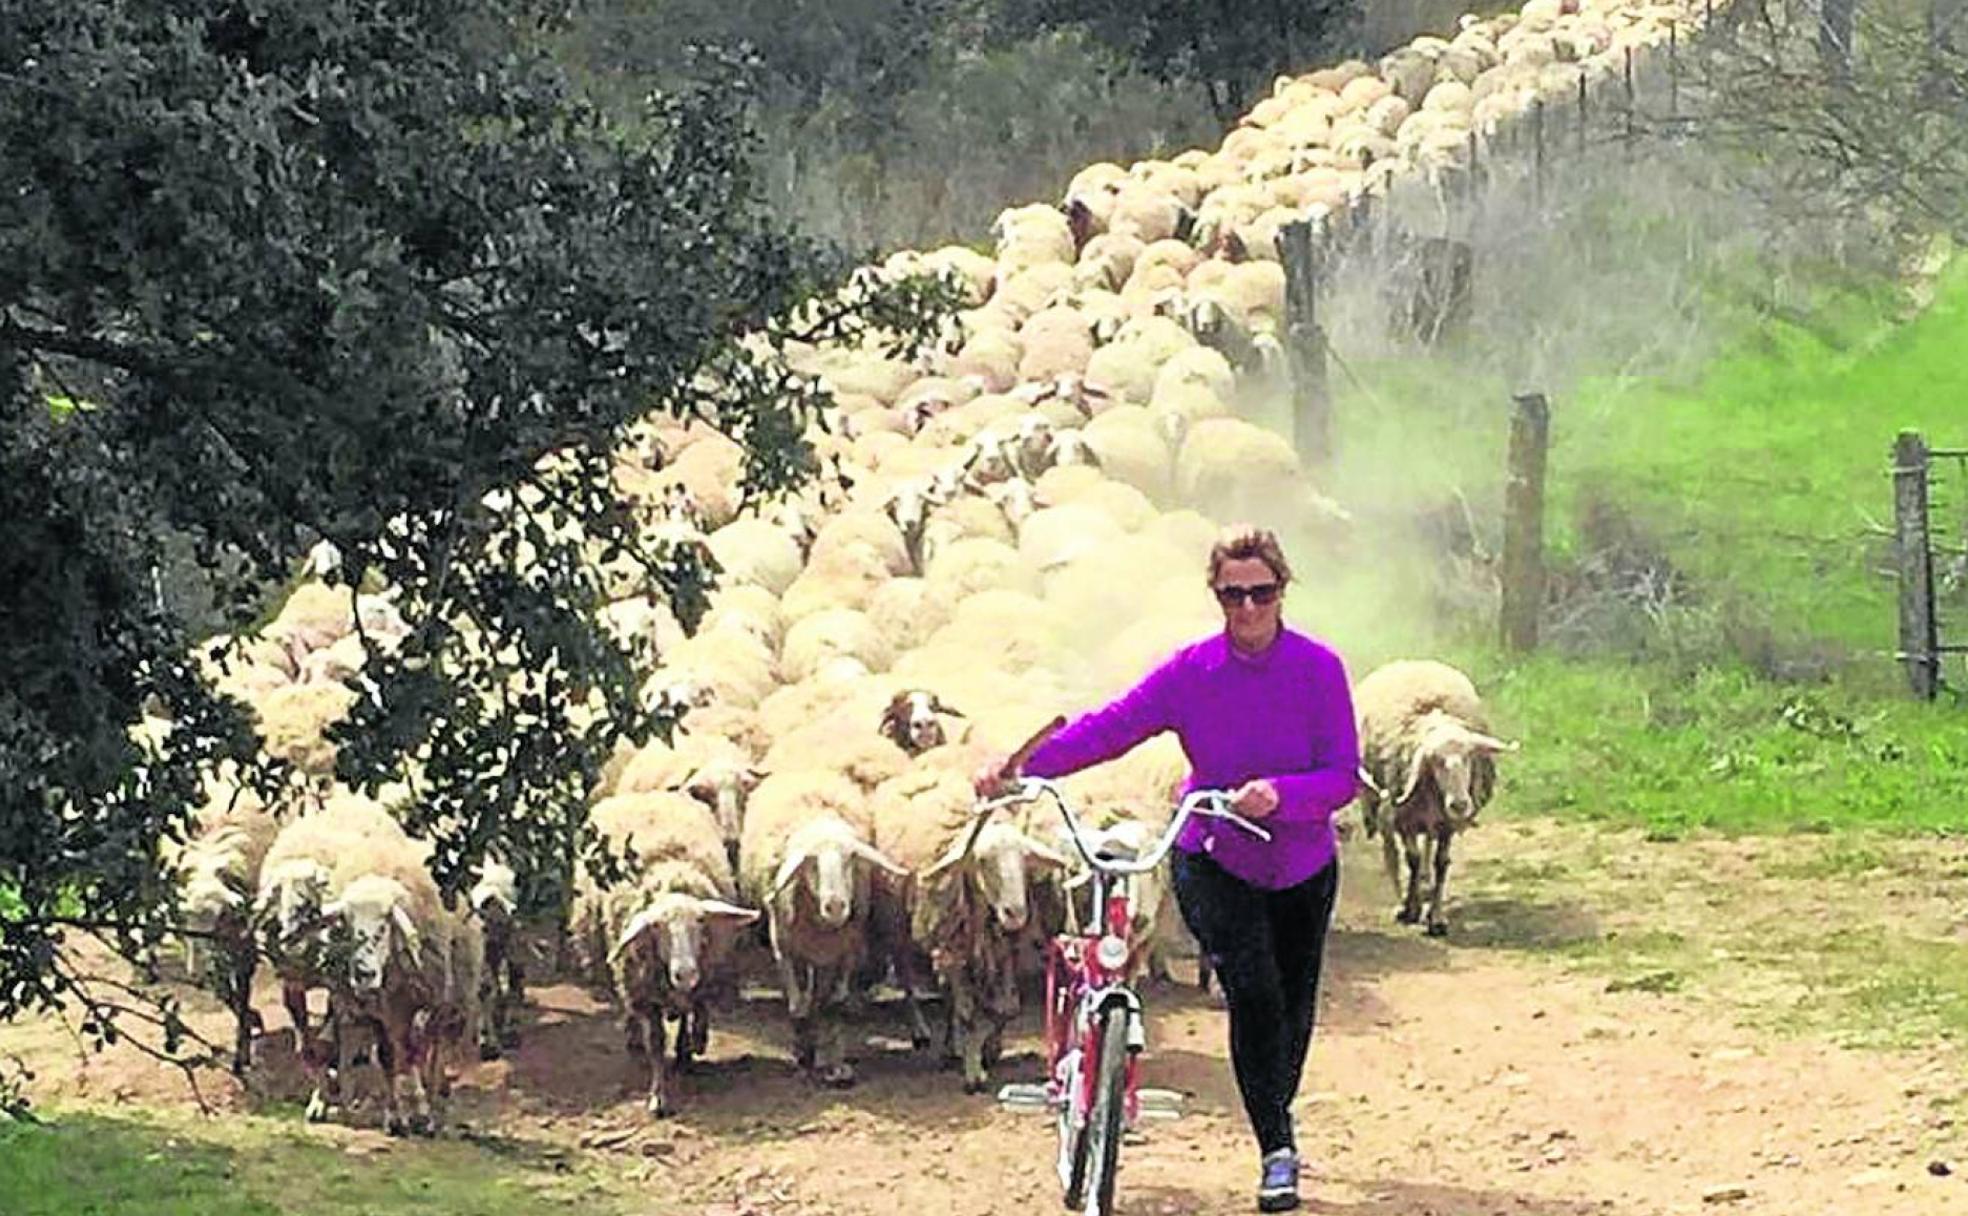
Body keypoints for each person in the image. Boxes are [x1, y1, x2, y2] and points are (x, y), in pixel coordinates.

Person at [975, 524, 1359, 1214]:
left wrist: (1283, 795)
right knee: (1254, 992)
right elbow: (1113, 725)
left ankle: (1274, 1105)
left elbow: (1341, 775)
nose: (1246, 609)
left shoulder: (1318, 669)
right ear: (1215, 595)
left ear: (1282, 591)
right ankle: (1277, 1148)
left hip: (1301, 863)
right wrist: (1020, 767)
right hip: (1213, 853)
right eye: (1232, 595)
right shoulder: (1193, 672)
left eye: (1261, 593)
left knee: (1293, 1009)